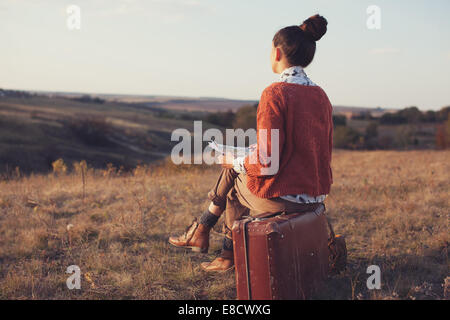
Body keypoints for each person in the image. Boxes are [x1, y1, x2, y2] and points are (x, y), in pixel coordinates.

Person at [169, 14, 333, 272]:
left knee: (234, 180)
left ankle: (217, 247)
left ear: (277, 53)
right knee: (237, 168)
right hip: (314, 196)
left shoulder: (275, 93)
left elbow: (267, 161)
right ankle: (205, 235)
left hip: (285, 200)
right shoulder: (320, 96)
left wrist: (234, 161)